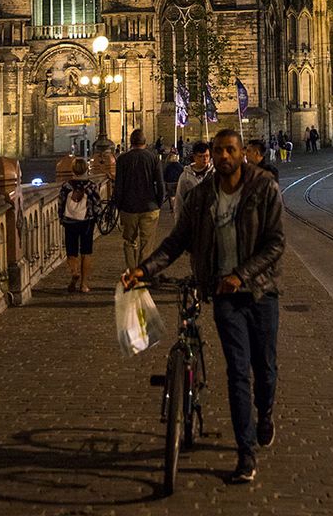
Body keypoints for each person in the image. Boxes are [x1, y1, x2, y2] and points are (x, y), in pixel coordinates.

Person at [124, 129, 284, 485]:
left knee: (266, 368)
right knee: (238, 372)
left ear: (242, 153)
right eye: (219, 150)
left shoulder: (264, 188)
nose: (224, 156)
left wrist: (241, 275)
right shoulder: (200, 197)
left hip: (261, 291)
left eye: (231, 150)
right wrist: (142, 269)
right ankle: (246, 454)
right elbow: (176, 242)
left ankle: (266, 413)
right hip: (223, 294)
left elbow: (275, 244)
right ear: (212, 155)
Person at [113, 129, 165, 272]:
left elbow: (119, 186)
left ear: (131, 142)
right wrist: (158, 203)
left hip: (129, 207)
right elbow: (160, 184)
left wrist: (119, 205)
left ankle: (131, 270)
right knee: (146, 244)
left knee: (129, 241)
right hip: (150, 206)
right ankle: (142, 274)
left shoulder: (123, 159)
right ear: (145, 142)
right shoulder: (153, 158)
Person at [58, 157, 101, 292]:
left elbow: (61, 204)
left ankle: (74, 272)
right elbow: (97, 205)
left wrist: (61, 218)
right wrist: (95, 217)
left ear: (73, 170)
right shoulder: (91, 186)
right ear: (87, 169)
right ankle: (83, 284)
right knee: (86, 252)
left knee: (71, 251)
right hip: (87, 222)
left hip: (70, 221)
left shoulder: (66, 186)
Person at [174, 140, 214, 220]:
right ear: (194, 157)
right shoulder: (185, 177)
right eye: (201, 156)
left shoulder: (215, 173)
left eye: (207, 156)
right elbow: (179, 201)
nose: (205, 159)